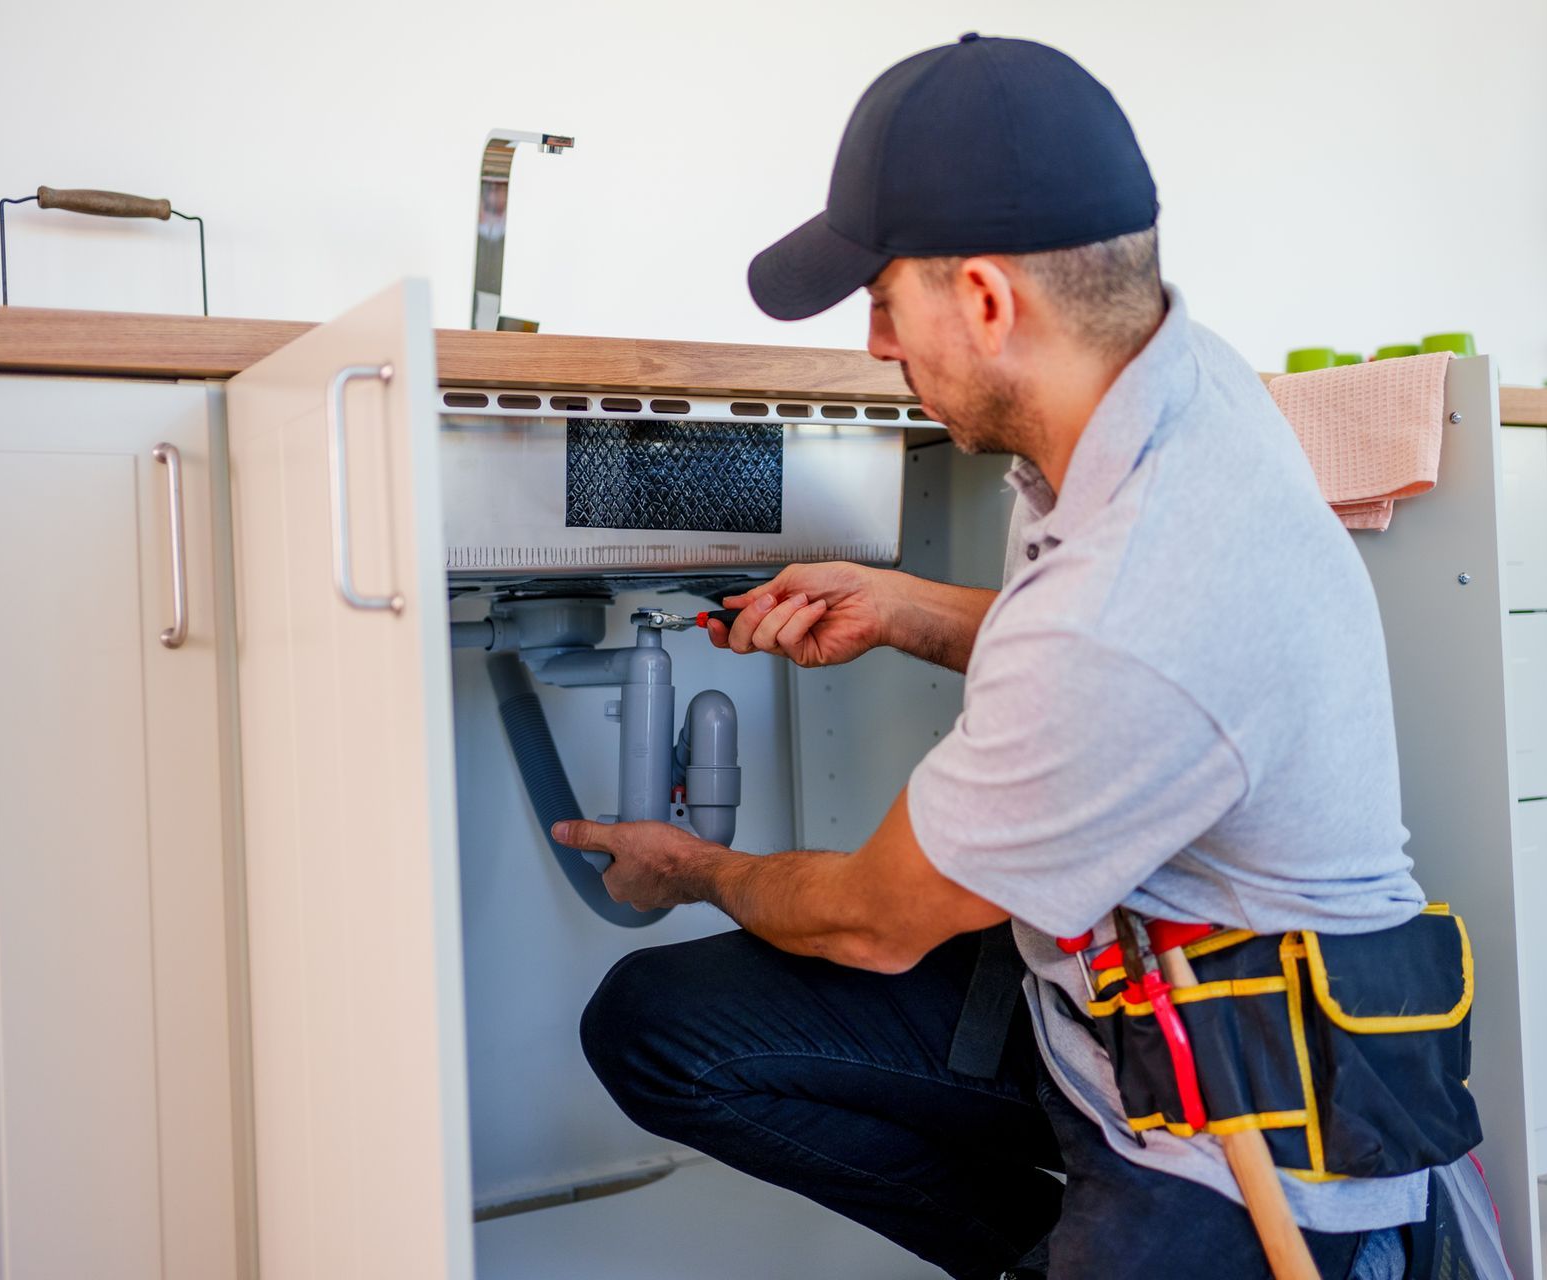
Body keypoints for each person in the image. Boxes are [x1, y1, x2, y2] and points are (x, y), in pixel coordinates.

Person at [555, 34, 1426, 1280]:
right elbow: (1095, 669)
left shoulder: (1149, 581)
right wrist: (906, 606)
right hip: (1102, 995)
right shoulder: (1154, 387)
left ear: (983, 298)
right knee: (660, 1027)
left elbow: (870, 924)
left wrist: (690, 865)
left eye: (883, 297)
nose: (873, 342)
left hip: (1246, 1121)